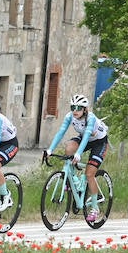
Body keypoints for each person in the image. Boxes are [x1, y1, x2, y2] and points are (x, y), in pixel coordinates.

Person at [42, 94, 110, 223]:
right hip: (85, 137)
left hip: (99, 142)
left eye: (78, 108)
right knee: (69, 148)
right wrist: (50, 149)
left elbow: (86, 138)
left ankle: (95, 208)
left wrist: (78, 154)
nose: (75, 110)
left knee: (90, 174)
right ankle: (72, 180)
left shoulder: (91, 118)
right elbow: (60, 132)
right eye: (73, 107)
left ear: (85, 109)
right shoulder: (69, 116)